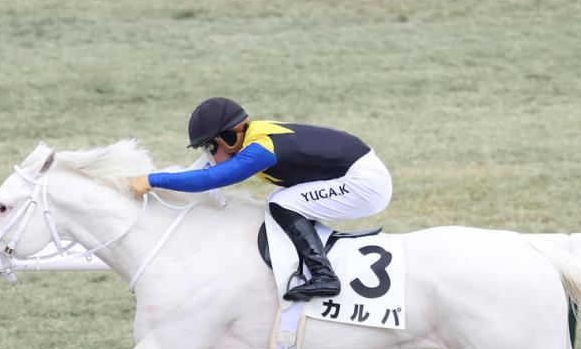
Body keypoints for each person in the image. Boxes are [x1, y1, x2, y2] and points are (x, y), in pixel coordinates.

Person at [131, 98, 393, 301]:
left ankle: (325, 276)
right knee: (282, 198)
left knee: (282, 202)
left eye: (210, 147)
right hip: (357, 172)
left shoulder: (261, 148)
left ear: (229, 137)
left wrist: (154, 180)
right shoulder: (252, 135)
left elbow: (212, 179)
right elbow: (200, 172)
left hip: (366, 184)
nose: (208, 154)